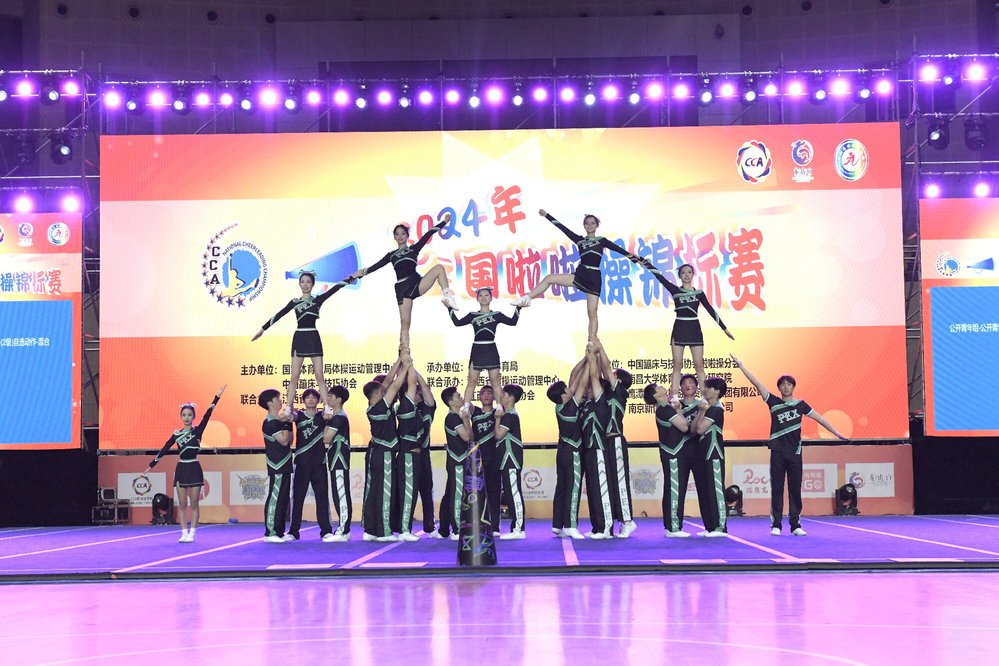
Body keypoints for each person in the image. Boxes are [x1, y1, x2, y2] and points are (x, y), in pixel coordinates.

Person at [731, 355, 849, 536]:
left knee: (795, 490)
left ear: (794, 387)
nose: (786, 387)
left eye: (789, 384)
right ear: (779, 388)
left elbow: (820, 419)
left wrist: (837, 433)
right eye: (782, 384)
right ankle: (776, 525)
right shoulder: (773, 402)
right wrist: (741, 365)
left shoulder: (801, 405)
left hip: (795, 453)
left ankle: (795, 525)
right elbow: (757, 383)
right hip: (777, 452)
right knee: (777, 489)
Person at [513, 209, 645, 340]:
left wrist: (638, 259)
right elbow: (562, 228)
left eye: (592, 223)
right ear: (584, 226)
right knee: (549, 278)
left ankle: (592, 340)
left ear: (597, 225)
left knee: (592, 312)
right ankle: (527, 299)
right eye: (587, 223)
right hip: (581, 274)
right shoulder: (579, 240)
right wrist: (547, 215)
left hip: (594, 278)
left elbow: (620, 250)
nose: (589, 226)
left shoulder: (602, 240)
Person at [350, 214, 458, 349]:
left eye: (403, 233)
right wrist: (359, 274)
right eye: (397, 234)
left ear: (407, 236)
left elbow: (428, 234)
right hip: (402, 289)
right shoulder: (391, 255)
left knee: (439, 268)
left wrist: (444, 222)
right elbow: (375, 266)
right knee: (405, 323)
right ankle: (404, 353)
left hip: (416, 283)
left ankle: (448, 297)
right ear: (394, 237)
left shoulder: (413, 249)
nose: (400, 236)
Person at [251, 272, 354, 414]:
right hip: (299, 337)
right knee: (294, 376)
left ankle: (327, 407)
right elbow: (279, 314)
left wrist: (353, 277)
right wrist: (262, 329)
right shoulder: (294, 302)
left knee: (319, 375)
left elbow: (337, 287)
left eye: (308, 282)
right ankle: (288, 408)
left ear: (313, 284)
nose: (305, 285)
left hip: (313, 337)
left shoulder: (318, 300)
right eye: (303, 282)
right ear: (299, 284)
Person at [144, 385, 226, 543]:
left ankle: (192, 533)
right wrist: (151, 465)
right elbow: (164, 449)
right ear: (181, 417)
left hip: (194, 467)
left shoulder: (197, 431)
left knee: (194, 503)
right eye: (184, 415)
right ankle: (183, 532)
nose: (187, 417)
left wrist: (217, 397)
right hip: (181, 468)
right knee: (182, 503)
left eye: (189, 415)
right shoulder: (176, 434)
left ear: (193, 416)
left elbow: (208, 414)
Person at [638, 261, 735, 393]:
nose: (686, 275)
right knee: (677, 365)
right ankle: (675, 397)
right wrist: (645, 262)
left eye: (689, 272)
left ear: (693, 274)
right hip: (679, 328)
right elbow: (658, 275)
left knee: (699, 365)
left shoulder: (699, 293)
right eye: (683, 273)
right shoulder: (675, 290)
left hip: (694, 329)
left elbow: (711, 310)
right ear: (680, 276)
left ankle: (704, 397)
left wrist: (724, 329)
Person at [446, 287, 522, 406]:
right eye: (481, 295)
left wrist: (519, 308)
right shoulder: (472, 315)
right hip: (477, 350)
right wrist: (449, 307)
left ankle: (499, 407)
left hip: (491, 349)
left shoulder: (496, 315)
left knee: (495, 382)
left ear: (491, 298)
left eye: (486, 295)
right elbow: (457, 323)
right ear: (477, 299)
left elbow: (512, 322)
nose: (484, 298)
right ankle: (466, 407)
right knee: (472, 381)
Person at [361, 353, 409, 542]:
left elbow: (389, 381)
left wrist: (399, 359)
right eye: (382, 391)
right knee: (385, 491)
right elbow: (394, 385)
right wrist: (406, 366)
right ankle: (384, 531)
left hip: (376, 452)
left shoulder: (374, 406)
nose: (387, 390)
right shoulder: (379, 408)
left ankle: (371, 529)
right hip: (384, 454)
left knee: (373, 491)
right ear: (376, 395)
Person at [592, 339, 637, 538]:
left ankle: (627, 521)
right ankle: (611, 523)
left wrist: (598, 343)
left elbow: (606, 367)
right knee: (609, 484)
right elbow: (600, 371)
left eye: (614, 375)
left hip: (617, 440)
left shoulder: (620, 392)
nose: (609, 375)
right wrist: (594, 355)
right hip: (606, 442)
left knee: (620, 482)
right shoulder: (607, 395)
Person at [643, 382, 693, 537]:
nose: (661, 386)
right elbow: (684, 427)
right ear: (656, 395)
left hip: (674, 453)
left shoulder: (665, 408)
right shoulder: (664, 409)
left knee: (675, 489)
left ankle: (672, 525)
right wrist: (677, 410)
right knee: (674, 490)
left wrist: (676, 408)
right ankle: (673, 527)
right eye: (658, 386)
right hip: (672, 454)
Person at [287, 388, 335, 542]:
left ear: (318, 400)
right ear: (303, 400)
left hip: (319, 463)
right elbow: (290, 415)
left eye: (314, 397)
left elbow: (329, 413)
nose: (311, 400)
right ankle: (293, 531)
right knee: (298, 499)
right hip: (301, 463)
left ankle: (326, 531)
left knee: (322, 498)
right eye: (307, 397)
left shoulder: (323, 416)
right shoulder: (299, 415)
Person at [548, 356, 588, 539]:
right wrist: (591, 361)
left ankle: (557, 525)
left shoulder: (559, 406)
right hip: (573, 453)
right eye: (566, 389)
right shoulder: (570, 407)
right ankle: (571, 525)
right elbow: (582, 382)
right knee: (573, 488)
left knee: (562, 487)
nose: (570, 388)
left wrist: (585, 358)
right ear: (564, 396)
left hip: (562, 451)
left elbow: (573, 374)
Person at [581, 344, 615, 539]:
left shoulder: (600, 403)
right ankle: (597, 526)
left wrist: (592, 357)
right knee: (593, 490)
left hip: (599, 449)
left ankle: (606, 528)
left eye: (591, 387)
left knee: (602, 489)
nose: (588, 388)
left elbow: (595, 376)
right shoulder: (586, 405)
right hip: (588, 451)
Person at [691, 377, 729, 537]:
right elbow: (693, 429)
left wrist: (702, 411)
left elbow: (701, 429)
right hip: (703, 455)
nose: (705, 390)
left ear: (717, 391)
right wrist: (701, 411)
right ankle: (710, 526)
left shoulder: (716, 410)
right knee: (705, 491)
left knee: (715, 490)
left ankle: (720, 527)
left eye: (709, 388)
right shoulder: (706, 409)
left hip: (714, 454)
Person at [437, 385, 473, 541]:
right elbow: (467, 437)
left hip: (459, 460)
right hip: (457, 460)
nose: (461, 397)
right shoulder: (453, 417)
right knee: (457, 494)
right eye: (458, 396)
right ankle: (457, 529)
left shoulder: (456, 416)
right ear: (451, 402)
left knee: (451, 494)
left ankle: (444, 529)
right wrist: (466, 419)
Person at [258, 388, 294, 543]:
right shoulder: (270, 423)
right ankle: (271, 532)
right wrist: (286, 422)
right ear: (269, 403)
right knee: (275, 497)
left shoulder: (277, 421)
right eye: (277, 399)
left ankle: (279, 531)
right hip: (277, 464)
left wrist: (288, 422)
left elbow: (290, 440)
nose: (280, 401)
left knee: (283, 498)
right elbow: (284, 440)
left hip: (285, 462)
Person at [392, 361, 422, 540]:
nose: (417, 392)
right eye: (415, 391)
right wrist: (407, 363)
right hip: (408, 456)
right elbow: (410, 383)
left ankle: (404, 528)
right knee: (408, 494)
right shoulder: (406, 406)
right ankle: (404, 530)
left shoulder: (410, 407)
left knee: (410, 493)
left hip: (412, 457)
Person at [494, 383, 526, 539]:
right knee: (510, 492)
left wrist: (497, 419)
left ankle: (518, 529)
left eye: (504, 394)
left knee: (514, 493)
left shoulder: (509, 416)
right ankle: (516, 528)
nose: (500, 396)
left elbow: (498, 435)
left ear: (511, 398)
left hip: (511, 458)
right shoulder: (508, 414)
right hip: (506, 459)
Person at [322, 384, 352, 541]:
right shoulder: (337, 416)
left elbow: (326, 439)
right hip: (336, 458)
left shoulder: (338, 417)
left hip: (339, 458)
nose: (327, 399)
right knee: (338, 493)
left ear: (339, 399)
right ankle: (344, 529)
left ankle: (343, 531)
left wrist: (326, 422)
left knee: (341, 494)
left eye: (330, 396)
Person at [470, 385, 501, 533]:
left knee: (494, 493)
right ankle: (479, 525)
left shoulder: (497, 412)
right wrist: (472, 380)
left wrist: (496, 381)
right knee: (478, 493)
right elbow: (466, 400)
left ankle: (494, 526)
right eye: (483, 393)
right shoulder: (474, 412)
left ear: (494, 396)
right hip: (478, 459)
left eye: (490, 393)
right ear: (479, 397)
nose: (486, 396)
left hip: (494, 458)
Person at [413, 370, 438, 537]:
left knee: (426, 491)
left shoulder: (427, 408)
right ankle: (404, 526)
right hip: (407, 455)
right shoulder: (404, 409)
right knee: (408, 492)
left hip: (423, 454)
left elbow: (425, 388)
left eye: (417, 391)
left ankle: (430, 525)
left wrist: (412, 368)